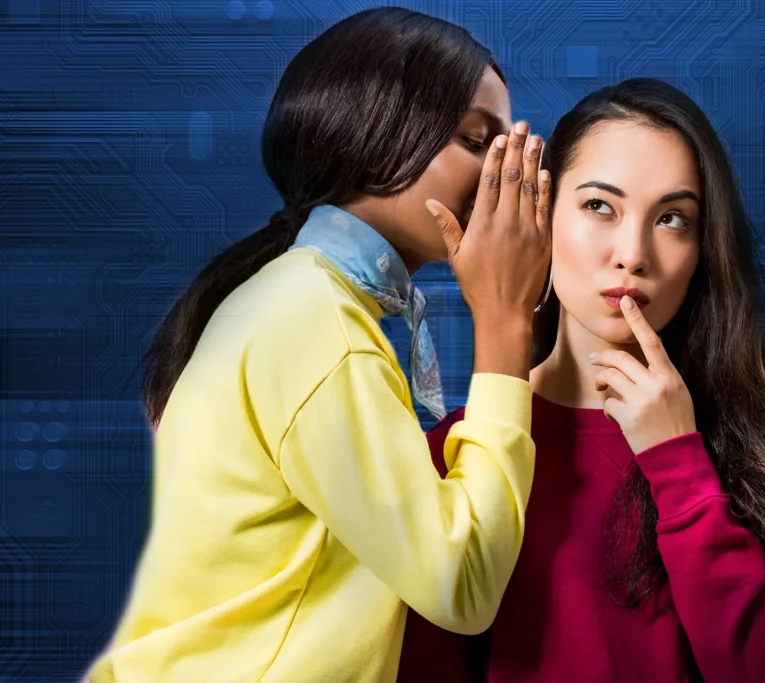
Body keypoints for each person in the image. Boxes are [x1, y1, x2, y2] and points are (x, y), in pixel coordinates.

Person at [87, 8, 552, 682]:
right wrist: (505, 321)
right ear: (379, 146)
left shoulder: (314, 302)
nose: (506, 177)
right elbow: (463, 581)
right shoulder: (318, 322)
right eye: (478, 141)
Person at [399, 78, 765, 683]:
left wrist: (677, 461)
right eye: (600, 206)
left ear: (703, 250)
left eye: (673, 219)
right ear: (543, 216)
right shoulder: (459, 451)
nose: (633, 253)